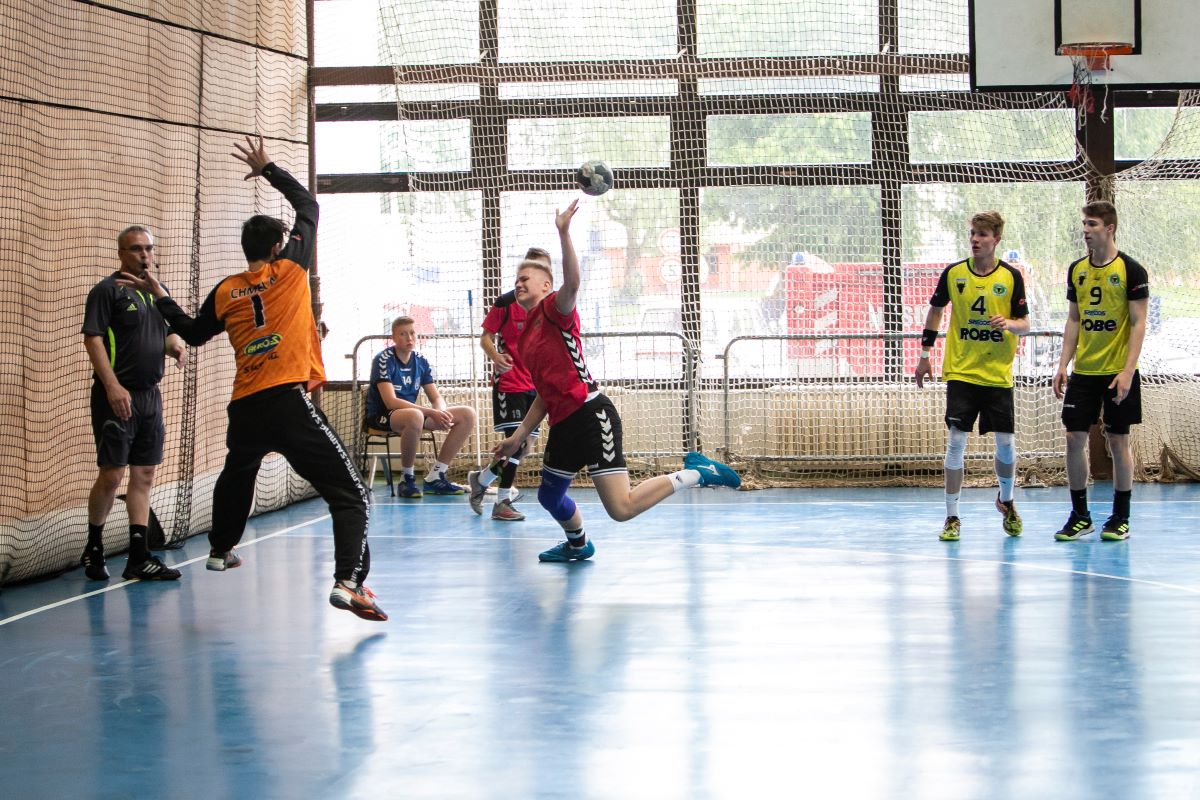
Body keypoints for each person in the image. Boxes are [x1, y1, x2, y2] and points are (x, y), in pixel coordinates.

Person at [119, 136, 384, 620]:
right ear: (278, 246)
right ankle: (350, 581)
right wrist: (269, 169)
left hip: (245, 405)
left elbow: (192, 333)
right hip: (287, 401)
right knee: (352, 494)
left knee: (239, 470)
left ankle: (221, 549)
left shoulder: (227, 290)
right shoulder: (290, 270)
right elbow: (308, 206)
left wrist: (160, 294)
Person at [493, 200, 741, 563]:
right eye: (516, 280)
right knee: (549, 496)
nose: (518, 284)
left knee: (621, 508)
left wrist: (564, 232)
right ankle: (578, 544)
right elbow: (544, 396)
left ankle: (696, 473)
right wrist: (518, 436)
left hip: (591, 416)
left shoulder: (555, 310)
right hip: (563, 424)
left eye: (525, 279)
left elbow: (573, 282)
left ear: (546, 286)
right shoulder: (526, 339)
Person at [80, 226, 187, 581]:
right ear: (122, 253)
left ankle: (138, 557)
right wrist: (112, 386)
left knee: (145, 474)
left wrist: (175, 345)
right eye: (136, 249)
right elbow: (93, 339)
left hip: (150, 397)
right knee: (112, 474)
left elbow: (166, 331)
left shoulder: (157, 291)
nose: (144, 255)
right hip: (117, 396)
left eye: (148, 249)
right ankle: (94, 547)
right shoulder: (106, 291)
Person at [915, 211, 1030, 542]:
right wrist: (925, 355)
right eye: (973, 234)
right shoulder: (954, 273)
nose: (976, 240)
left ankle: (1007, 500)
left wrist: (1009, 324)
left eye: (983, 234)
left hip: (996, 374)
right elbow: (935, 311)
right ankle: (952, 516)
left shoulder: (1011, 277)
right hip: (962, 372)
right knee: (956, 442)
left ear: (996, 239)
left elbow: (1025, 325)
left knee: (1006, 443)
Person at [1052, 201, 1148, 542]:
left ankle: (1121, 517)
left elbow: (1138, 323)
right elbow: (1074, 319)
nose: (1086, 230)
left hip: (1117, 371)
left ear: (1109, 228)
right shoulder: (1077, 270)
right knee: (1073, 438)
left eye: (1092, 224)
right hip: (1085, 371)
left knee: (1118, 440)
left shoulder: (1131, 270)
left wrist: (1128, 370)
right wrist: (1063, 363)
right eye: (1084, 223)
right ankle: (1080, 515)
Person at [467, 246, 552, 521]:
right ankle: (502, 502)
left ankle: (481, 480)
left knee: (524, 446)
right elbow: (485, 337)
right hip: (511, 383)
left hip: (536, 386)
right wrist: (495, 356)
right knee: (514, 444)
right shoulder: (506, 303)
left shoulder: (551, 307)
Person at [364, 316, 478, 498]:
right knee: (415, 416)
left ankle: (436, 476)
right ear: (393, 338)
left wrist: (440, 412)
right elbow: (391, 402)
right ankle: (406, 479)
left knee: (467, 414)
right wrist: (430, 412)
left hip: (413, 414)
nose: (409, 338)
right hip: (382, 415)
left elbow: (436, 397)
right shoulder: (383, 359)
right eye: (403, 334)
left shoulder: (420, 360)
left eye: (412, 333)